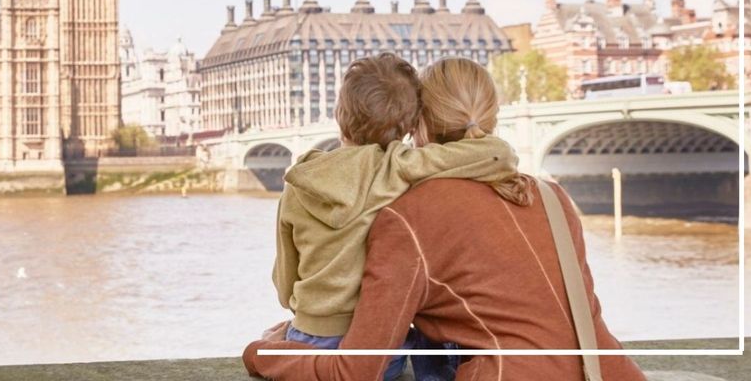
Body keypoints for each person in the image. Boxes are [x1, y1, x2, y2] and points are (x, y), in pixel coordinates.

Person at [244, 57, 646, 381]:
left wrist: (261, 353)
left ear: (418, 126)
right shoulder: (552, 196)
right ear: (491, 118)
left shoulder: (410, 216)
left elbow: (357, 368)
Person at [268, 54, 529, 380]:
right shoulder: (396, 169)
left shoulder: (299, 181)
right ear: (408, 127)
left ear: (338, 114)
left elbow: (284, 286)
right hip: (379, 350)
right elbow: (496, 154)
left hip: (308, 335)